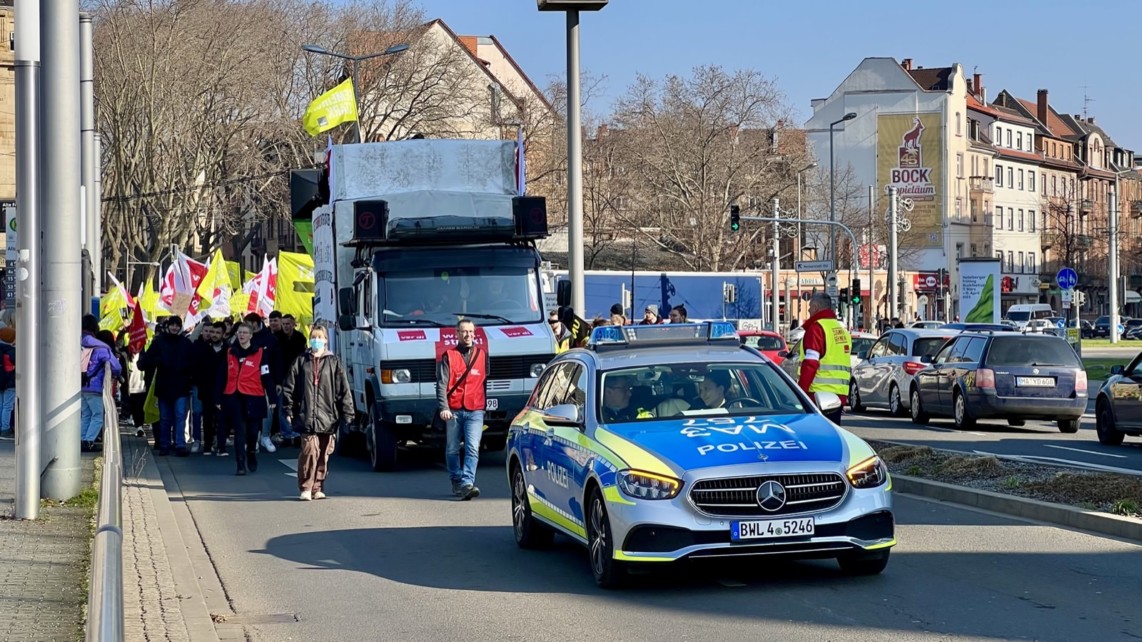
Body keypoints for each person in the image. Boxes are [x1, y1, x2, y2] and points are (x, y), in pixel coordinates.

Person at [281, 324, 354, 501]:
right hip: (306, 415)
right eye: (314, 337)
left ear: (326, 340)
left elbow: (343, 390)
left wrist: (348, 413)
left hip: (327, 416)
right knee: (309, 450)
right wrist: (288, 409)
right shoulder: (300, 361)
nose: (317, 340)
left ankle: (318, 486)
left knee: (323, 453)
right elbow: (289, 387)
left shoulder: (333, 362)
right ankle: (305, 486)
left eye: (320, 337)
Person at [436, 318, 489, 500]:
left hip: (475, 409)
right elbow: (442, 384)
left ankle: (467, 483)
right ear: (457, 334)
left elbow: (484, 382)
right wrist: (444, 407)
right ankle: (456, 479)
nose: (468, 335)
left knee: (473, 446)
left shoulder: (482, 355)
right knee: (452, 449)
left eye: (471, 332)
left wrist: (484, 406)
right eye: (464, 332)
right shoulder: (448, 356)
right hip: (454, 409)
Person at [215, 322, 274, 475]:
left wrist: (272, 398)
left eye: (245, 332)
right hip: (234, 396)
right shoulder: (229, 352)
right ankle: (240, 465)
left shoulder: (260, 352)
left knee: (253, 432)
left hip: (254, 396)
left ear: (250, 335)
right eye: (239, 332)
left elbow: (266, 375)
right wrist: (218, 398)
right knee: (239, 432)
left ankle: (251, 453)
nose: (241, 335)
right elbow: (222, 375)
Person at [139, 316, 195, 456]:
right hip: (164, 386)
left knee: (180, 416)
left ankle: (180, 444)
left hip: (181, 386)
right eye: (172, 325)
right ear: (168, 326)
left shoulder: (186, 343)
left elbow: (193, 363)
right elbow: (145, 362)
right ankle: (164, 444)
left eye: (177, 325)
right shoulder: (159, 342)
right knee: (164, 418)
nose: (175, 328)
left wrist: (188, 376)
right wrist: (159, 361)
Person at [797, 292, 852, 424]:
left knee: (815, 436)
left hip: (818, 395)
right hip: (839, 395)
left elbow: (811, 363)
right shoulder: (841, 330)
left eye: (810, 306)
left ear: (816, 307)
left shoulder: (817, 328)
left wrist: (800, 393)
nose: (809, 310)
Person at [80, 315, 122, 452]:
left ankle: (81, 440)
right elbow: (116, 367)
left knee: (86, 415)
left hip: (81, 386)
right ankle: (89, 441)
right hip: (95, 387)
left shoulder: (77, 343)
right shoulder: (101, 347)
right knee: (98, 416)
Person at [244, 313, 281, 453]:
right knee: (251, 410)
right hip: (249, 380)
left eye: (250, 323)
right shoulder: (247, 338)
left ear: (256, 323)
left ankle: (265, 436)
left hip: (267, 379)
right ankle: (254, 438)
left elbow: (277, 361)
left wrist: (278, 381)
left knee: (269, 408)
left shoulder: (271, 339)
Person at [275, 314, 308, 441]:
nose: (285, 326)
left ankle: (298, 430)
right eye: (283, 324)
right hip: (282, 375)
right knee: (282, 404)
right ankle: (286, 432)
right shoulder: (277, 338)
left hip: (297, 375)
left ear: (294, 324)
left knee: (298, 404)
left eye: (288, 324)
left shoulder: (300, 338)